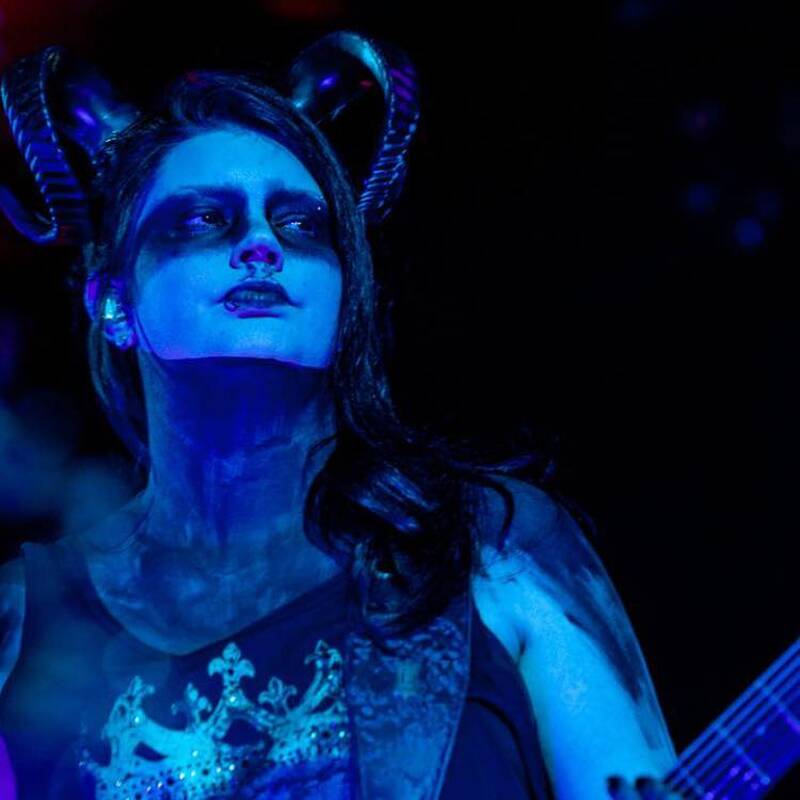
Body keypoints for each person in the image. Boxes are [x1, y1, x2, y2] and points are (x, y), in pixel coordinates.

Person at [0, 31, 682, 799]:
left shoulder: (487, 544)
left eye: (302, 227)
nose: (262, 245)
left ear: (343, 296)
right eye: (204, 220)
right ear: (114, 301)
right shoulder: (22, 622)